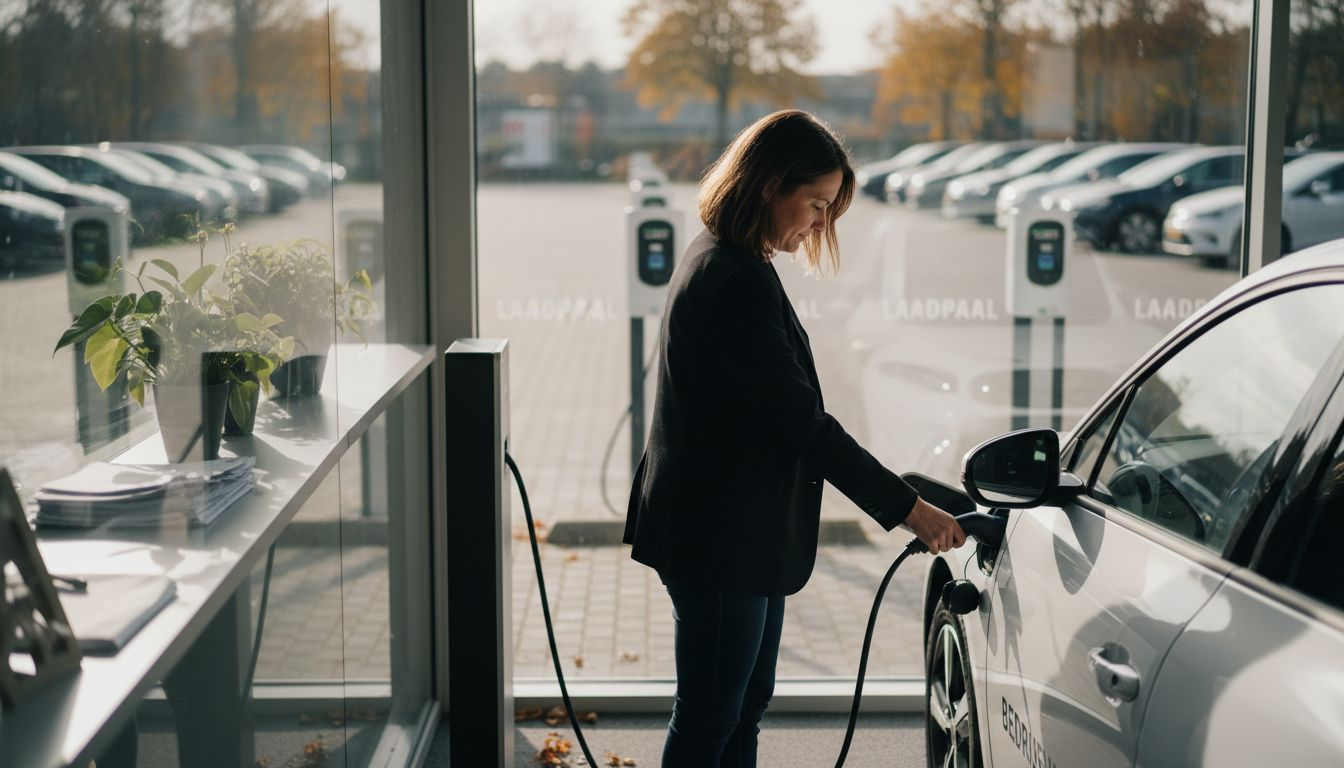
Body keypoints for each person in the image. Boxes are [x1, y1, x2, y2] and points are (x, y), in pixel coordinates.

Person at [622, 109, 967, 768]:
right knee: (711, 717)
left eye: (829, 209)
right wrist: (910, 511)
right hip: (720, 538)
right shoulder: (735, 279)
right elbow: (802, 424)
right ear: (767, 185)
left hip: (731, 533)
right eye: (814, 203)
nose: (819, 223)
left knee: (740, 708)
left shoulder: (727, 257)